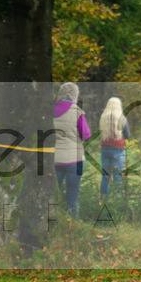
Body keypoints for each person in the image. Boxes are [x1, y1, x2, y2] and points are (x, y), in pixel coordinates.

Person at [53, 82, 91, 218]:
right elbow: (86, 135)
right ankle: (72, 224)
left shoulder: (50, 110)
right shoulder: (77, 112)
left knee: (53, 194)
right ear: (75, 95)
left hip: (55, 159)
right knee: (72, 198)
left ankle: (52, 222)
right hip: (74, 160)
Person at [99, 97, 130, 196]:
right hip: (118, 150)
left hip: (105, 149)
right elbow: (127, 135)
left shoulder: (103, 118)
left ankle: (104, 199)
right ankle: (117, 199)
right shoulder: (122, 118)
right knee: (117, 176)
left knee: (105, 176)